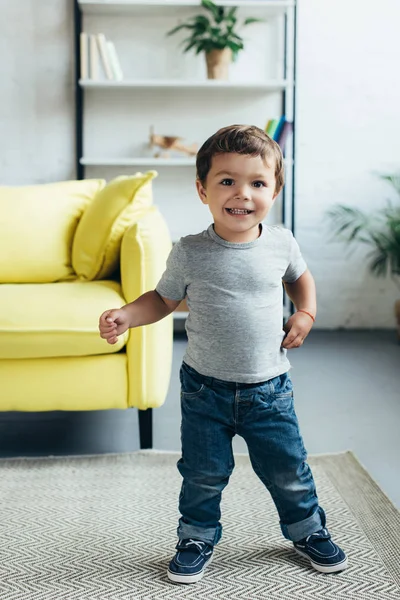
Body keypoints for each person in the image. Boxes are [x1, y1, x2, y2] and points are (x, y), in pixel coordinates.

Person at [99, 125, 348, 584]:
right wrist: (127, 315)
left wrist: (306, 313)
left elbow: (300, 278)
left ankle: (307, 530)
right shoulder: (191, 252)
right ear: (202, 190)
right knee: (202, 474)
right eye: (227, 181)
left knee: (287, 469)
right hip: (204, 391)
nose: (242, 194)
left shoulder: (281, 242)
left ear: (275, 189)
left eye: (257, 183)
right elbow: (162, 299)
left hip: (269, 390)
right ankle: (196, 536)